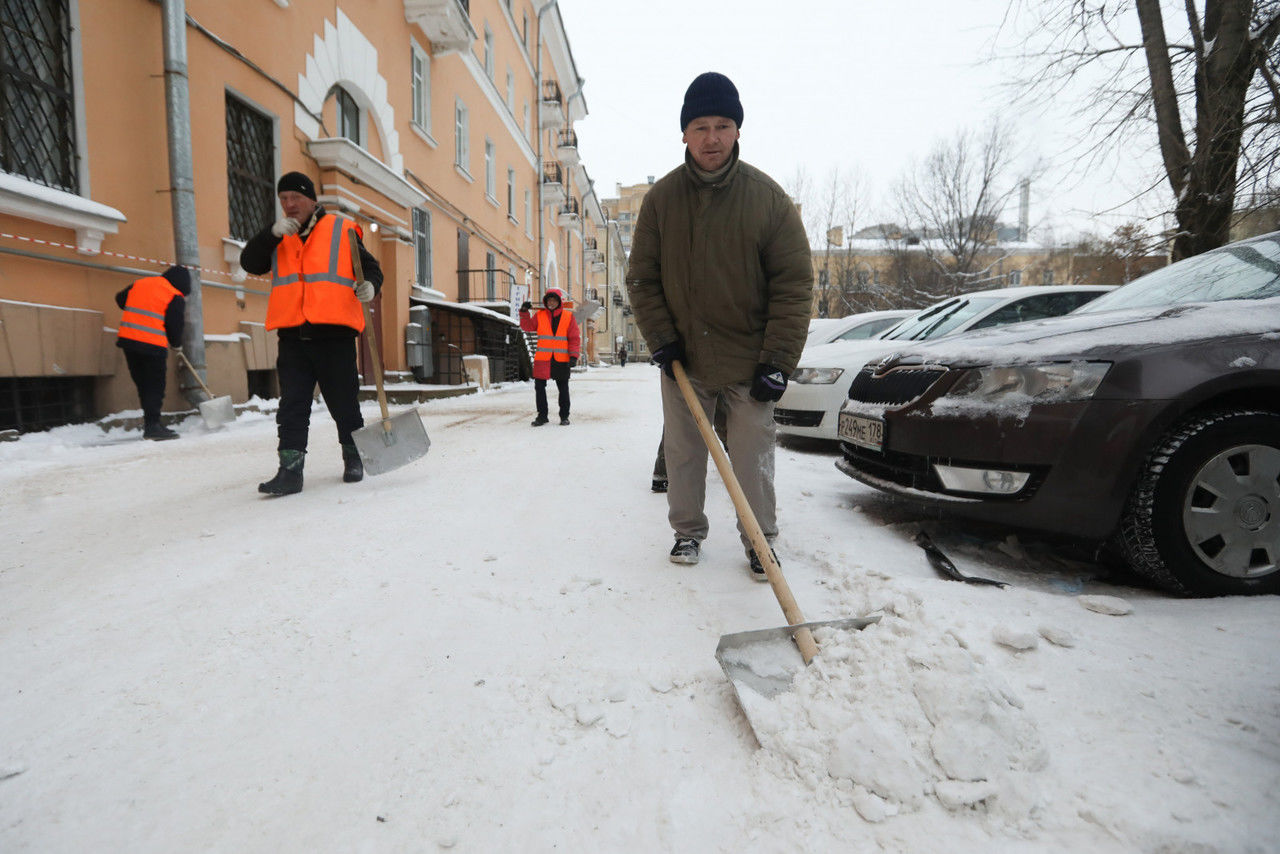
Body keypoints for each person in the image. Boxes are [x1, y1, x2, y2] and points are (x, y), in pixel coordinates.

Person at [626, 72, 813, 580]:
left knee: (752, 453)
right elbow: (642, 278)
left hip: (750, 358)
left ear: (738, 132)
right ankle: (687, 531)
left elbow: (794, 285)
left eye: (723, 125)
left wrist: (777, 361)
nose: (712, 137)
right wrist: (662, 340)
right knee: (684, 450)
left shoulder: (767, 200)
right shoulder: (661, 200)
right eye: (701, 126)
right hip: (685, 355)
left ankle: (759, 539)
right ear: (684, 134)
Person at [239, 171, 383, 495]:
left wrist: (371, 286)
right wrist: (270, 234)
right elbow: (250, 262)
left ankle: (354, 457)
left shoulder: (341, 230)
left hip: (334, 336)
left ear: (312, 200)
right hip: (293, 336)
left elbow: (371, 268)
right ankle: (290, 471)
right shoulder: (278, 236)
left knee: (344, 403)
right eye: (283, 199)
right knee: (292, 405)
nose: (289, 205)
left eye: (296, 198)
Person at [115, 265, 191, 440]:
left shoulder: (142, 283)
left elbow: (120, 299)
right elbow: (175, 325)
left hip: (129, 342)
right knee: (154, 387)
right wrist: (176, 345)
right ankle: (153, 427)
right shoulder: (174, 295)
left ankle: (152, 423)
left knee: (143, 385)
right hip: (152, 346)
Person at [519, 288, 580, 426]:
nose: (551, 302)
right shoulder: (539, 315)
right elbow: (527, 327)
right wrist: (524, 312)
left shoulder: (568, 317)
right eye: (549, 300)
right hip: (543, 358)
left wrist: (573, 356)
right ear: (545, 302)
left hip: (561, 358)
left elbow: (574, 338)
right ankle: (542, 416)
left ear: (559, 302)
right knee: (539, 387)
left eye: (554, 300)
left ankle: (564, 416)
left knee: (563, 388)